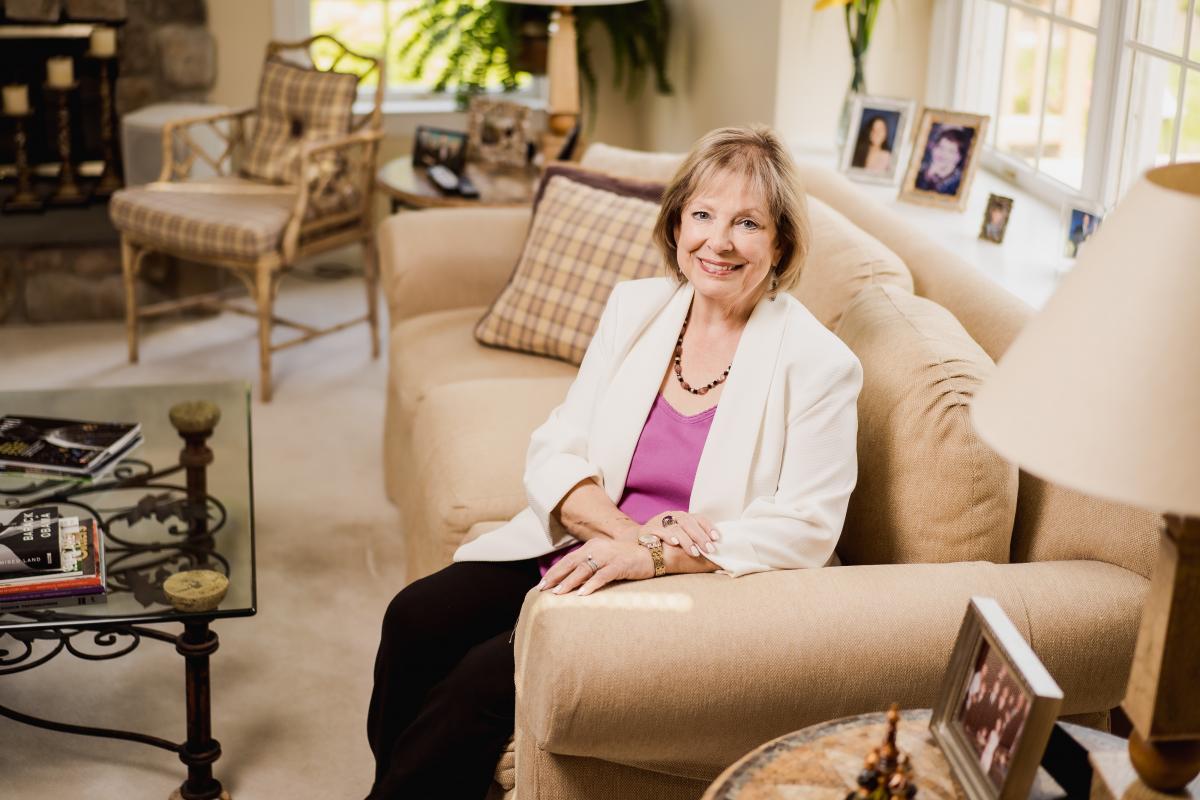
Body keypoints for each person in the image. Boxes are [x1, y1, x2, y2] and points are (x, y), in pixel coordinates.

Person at [364, 125, 864, 800]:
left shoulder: (819, 364)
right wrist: (632, 541)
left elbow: (808, 525)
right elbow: (557, 445)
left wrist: (656, 561)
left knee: (478, 685)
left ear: (780, 244)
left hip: (693, 587)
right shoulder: (638, 309)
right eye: (703, 215)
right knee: (414, 620)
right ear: (677, 223)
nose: (718, 241)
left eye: (747, 223)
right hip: (596, 541)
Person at [915, 125, 972, 196]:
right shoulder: (918, 172)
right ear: (934, 148)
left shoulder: (959, 184)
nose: (943, 154)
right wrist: (927, 176)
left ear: (959, 157)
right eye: (941, 147)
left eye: (951, 151)